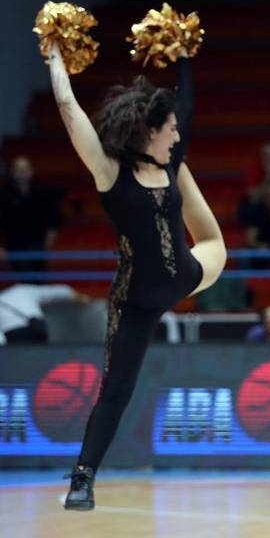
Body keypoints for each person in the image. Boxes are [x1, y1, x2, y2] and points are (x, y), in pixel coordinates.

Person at [46, 43, 226, 510]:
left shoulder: (169, 161)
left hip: (186, 274)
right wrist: (54, 61)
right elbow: (70, 111)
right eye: (168, 130)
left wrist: (184, 54)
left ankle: (212, 249)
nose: (175, 134)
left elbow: (185, 105)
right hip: (137, 301)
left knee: (217, 248)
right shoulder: (110, 174)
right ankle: (82, 479)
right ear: (148, 132)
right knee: (116, 389)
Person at [0, 156, 61, 274]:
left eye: (25, 169)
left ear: (31, 171)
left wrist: (48, 242)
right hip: (14, 248)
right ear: (12, 173)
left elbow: (54, 220)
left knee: (38, 282)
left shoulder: (42, 193)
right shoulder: (3, 195)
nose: (22, 173)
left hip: (38, 247)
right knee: (23, 283)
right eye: (18, 170)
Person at [0, 284, 89, 344]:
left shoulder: (20, 290)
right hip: (37, 329)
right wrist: (74, 296)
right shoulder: (21, 289)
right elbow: (58, 291)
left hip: (13, 336)